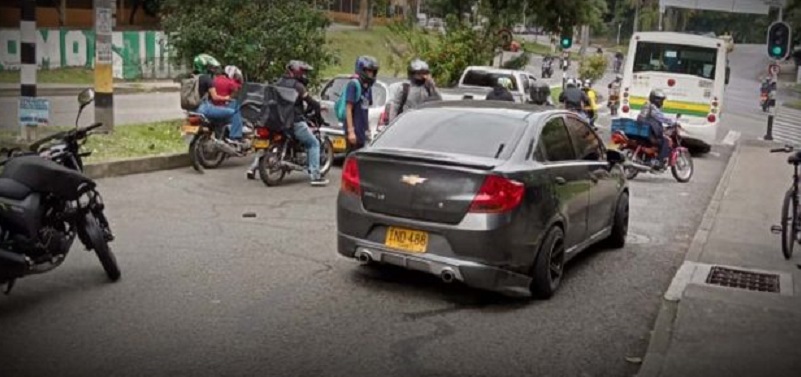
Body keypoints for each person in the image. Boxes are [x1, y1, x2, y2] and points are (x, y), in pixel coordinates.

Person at [248, 60, 327, 186]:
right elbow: (309, 101)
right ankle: (315, 176)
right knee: (314, 144)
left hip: (278, 121)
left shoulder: (278, 83)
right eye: (303, 72)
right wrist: (320, 107)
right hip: (294, 121)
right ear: (297, 71)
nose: (304, 75)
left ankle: (253, 167)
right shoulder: (298, 86)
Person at [194, 54, 241, 144]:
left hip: (192, 109)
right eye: (210, 67)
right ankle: (235, 137)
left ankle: (219, 133)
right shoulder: (207, 79)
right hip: (204, 108)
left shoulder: (192, 78)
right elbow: (215, 97)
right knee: (234, 111)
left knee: (219, 112)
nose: (212, 70)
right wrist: (227, 98)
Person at [344, 55, 380, 154]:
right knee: (351, 161)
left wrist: (367, 130)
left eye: (372, 72)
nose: (371, 74)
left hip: (362, 131)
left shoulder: (368, 88)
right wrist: (351, 132)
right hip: (354, 131)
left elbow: (365, 110)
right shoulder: (353, 84)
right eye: (368, 71)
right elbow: (348, 108)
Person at [388, 58, 442, 123]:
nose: (421, 76)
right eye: (418, 73)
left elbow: (439, 101)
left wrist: (432, 86)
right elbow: (394, 108)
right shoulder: (404, 88)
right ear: (412, 74)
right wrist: (393, 125)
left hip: (422, 122)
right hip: (406, 122)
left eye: (424, 73)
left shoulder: (427, 88)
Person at [637, 89, 676, 170]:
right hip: (648, 131)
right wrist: (672, 123)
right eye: (661, 100)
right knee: (665, 141)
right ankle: (659, 161)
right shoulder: (653, 107)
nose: (662, 102)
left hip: (643, 130)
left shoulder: (646, 105)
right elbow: (660, 118)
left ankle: (648, 159)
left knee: (654, 142)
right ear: (656, 100)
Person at [211, 65, 245, 146]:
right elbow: (237, 90)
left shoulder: (213, 81)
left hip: (213, 108)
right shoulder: (230, 82)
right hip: (224, 108)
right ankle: (235, 136)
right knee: (236, 107)